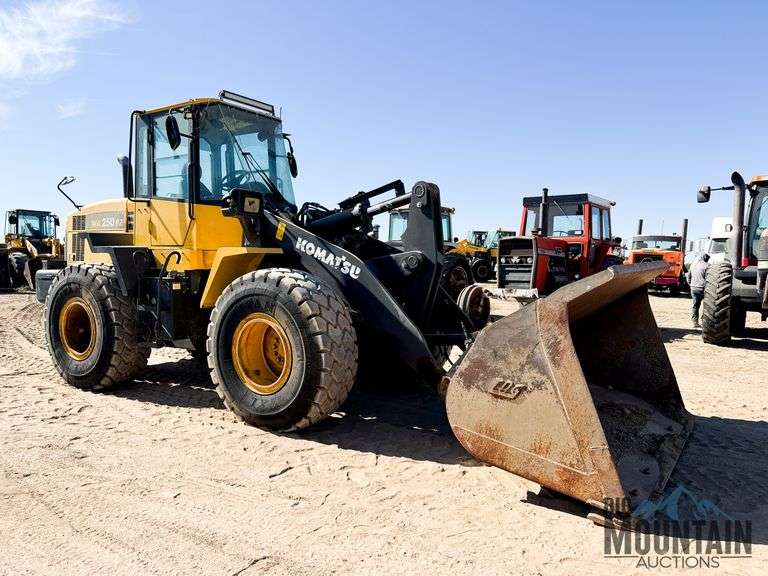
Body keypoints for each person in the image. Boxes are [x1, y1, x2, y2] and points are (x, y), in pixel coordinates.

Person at [687, 253, 711, 328]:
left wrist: (691, 285)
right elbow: (709, 279)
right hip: (703, 288)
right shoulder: (708, 266)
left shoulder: (692, 265)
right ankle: (704, 322)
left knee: (695, 305)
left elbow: (688, 277)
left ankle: (695, 322)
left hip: (693, 288)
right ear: (706, 258)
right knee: (707, 306)